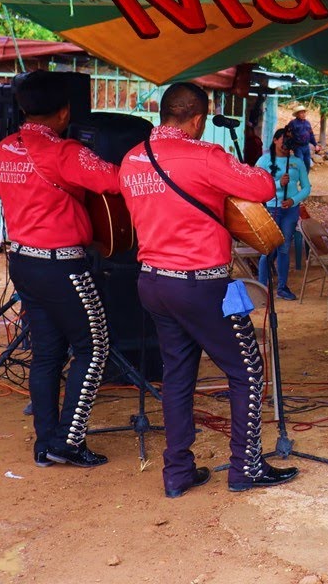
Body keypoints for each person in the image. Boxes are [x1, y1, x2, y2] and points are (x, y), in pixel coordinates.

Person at [120, 82, 298, 498]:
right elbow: (262, 187)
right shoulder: (204, 156)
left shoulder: (132, 159)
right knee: (247, 371)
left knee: (178, 377)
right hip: (200, 285)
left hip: (152, 282)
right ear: (198, 119)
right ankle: (246, 467)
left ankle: (178, 472)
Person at [0, 70, 121, 468]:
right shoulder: (63, 152)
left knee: (46, 354)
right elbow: (115, 182)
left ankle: (46, 442)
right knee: (94, 349)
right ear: (64, 112)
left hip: (24, 262)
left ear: (24, 107)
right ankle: (68, 441)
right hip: (63, 266)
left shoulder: (3, 150)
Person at [256, 127, 311, 300]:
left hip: (290, 210)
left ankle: (282, 287)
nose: (286, 143)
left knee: (284, 248)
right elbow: (257, 184)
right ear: (275, 140)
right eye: (283, 139)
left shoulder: (297, 162)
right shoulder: (264, 161)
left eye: (289, 140)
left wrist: (293, 200)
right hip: (271, 208)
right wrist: (279, 184)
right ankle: (262, 287)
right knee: (268, 249)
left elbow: (307, 187)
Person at [286, 104, 321, 169]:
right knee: (299, 163)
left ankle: (304, 177)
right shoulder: (292, 123)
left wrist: (315, 145)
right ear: (297, 114)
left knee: (307, 164)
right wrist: (289, 146)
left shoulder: (307, 123)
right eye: (301, 113)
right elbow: (287, 134)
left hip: (306, 147)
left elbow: (311, 135)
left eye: (304, 112)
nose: (303, 114)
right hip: (297, 147)